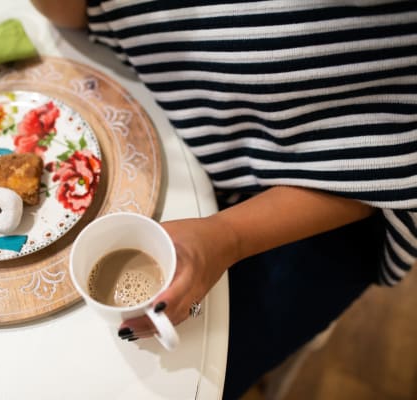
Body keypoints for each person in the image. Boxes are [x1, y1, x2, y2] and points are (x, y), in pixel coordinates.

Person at [31, 1, 417, 398]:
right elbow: (73, 14)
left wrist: (226, 238)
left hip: (334, 202)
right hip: (173, 118)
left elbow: (396, 148)